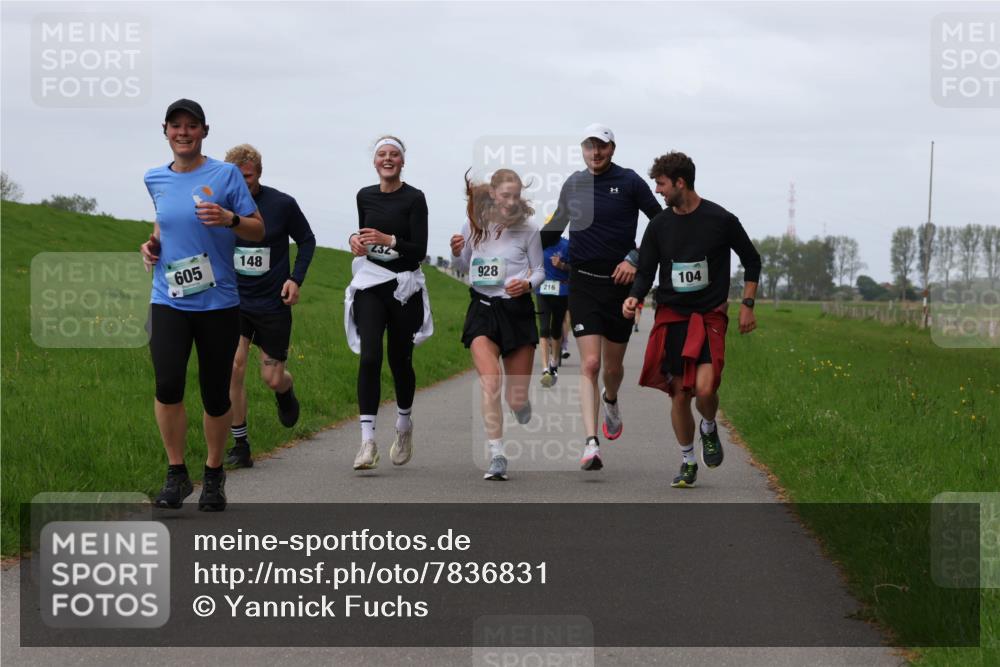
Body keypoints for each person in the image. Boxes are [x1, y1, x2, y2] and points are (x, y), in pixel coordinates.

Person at [139, 99, 265, 511]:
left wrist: (229, 219)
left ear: (204, 132)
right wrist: (151, 246)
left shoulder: (226, 174)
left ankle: (213, 473)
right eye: (176, 126)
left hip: (218, 303)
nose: (183, 132)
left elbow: (256, 227)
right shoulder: (154, 177)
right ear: (166, 131)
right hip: (169, 298)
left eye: (191, 126)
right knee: (168, 384)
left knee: (215, 395)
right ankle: (177, 474)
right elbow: (163, 221)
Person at [624, 151, 761, 488]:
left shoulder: (721, 219)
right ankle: (687, 460)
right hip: (672, 316)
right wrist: (634, 296)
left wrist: (747, 304)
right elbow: (646, 270)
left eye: (661, 184)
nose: (657, 190)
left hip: (709, 314)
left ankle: (709, 426)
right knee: (679, 395)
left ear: (680, 182)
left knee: (704, 388)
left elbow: (752, 260)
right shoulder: (658, 225)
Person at [540, 124, 661, 471]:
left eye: (602, 147)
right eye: (589, 146)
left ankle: (611, 399)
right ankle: (591, 443)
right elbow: (554, 229)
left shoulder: (630, 181)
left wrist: (635, 259)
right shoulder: (574, 184)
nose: (596, 153)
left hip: (620, 286)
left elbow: (660, 223)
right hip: (583, 284)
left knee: (612, 367)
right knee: (590, 364)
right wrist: (514, 243)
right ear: (582, 149)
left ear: (612, 148)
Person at [222, 144, 316, 469]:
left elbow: (307, 240)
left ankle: (285, 392)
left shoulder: (282, 204)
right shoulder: (221, 206)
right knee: (233, 366)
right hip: (234, 300)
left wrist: (295, 279)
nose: (241, 184)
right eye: (235, 178)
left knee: (272, 378)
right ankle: (240, 443)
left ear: (258, 173)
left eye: (247, 177)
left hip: (272, 303)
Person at [345, 136, 433, 470]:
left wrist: (389, 240)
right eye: (382, 154)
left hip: (403, 288)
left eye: (393, 154)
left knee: (399, 361)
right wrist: (355, 241)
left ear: (402, 161)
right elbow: (363, 238)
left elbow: (419, 249)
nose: (387, 159)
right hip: (371, 284)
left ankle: (404, 424)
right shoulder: (364, 195)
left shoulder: (415, 198)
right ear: (374, 161)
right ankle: (367, 442)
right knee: (369, 357)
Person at [450, 169, 543, 481]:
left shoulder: (529, 230)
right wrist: (456, 252)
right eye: (506, 195)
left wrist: (528, 285)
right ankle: (497, 454)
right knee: (491, 382)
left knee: (515, 398)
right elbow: (463, 266)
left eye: (516, 196)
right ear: (493, 194)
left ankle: (520, 404)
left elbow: (540, 271)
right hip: (483, 309)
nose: (511, 201)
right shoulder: (474, 225)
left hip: (517, 311)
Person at [536, 218, 570, 387]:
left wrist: (562, 265)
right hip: (542, 291)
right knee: (543, 329)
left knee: (556, 330)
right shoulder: (539, 245)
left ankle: (554, 364)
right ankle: (544, 369)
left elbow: (575, 269)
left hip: (561, 292)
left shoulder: (567, 245)